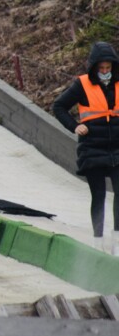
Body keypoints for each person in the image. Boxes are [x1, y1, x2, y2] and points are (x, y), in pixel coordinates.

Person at [52, 41, 119, 254]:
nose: (105, 72)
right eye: (101, 69)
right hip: (92, 149)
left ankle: (117, 239)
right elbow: (59, 106)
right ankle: (97, 242)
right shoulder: (82, 85)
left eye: (108, 68)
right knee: (98, 195)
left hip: (117, 148)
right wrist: (75, 126)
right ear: (94, 68)